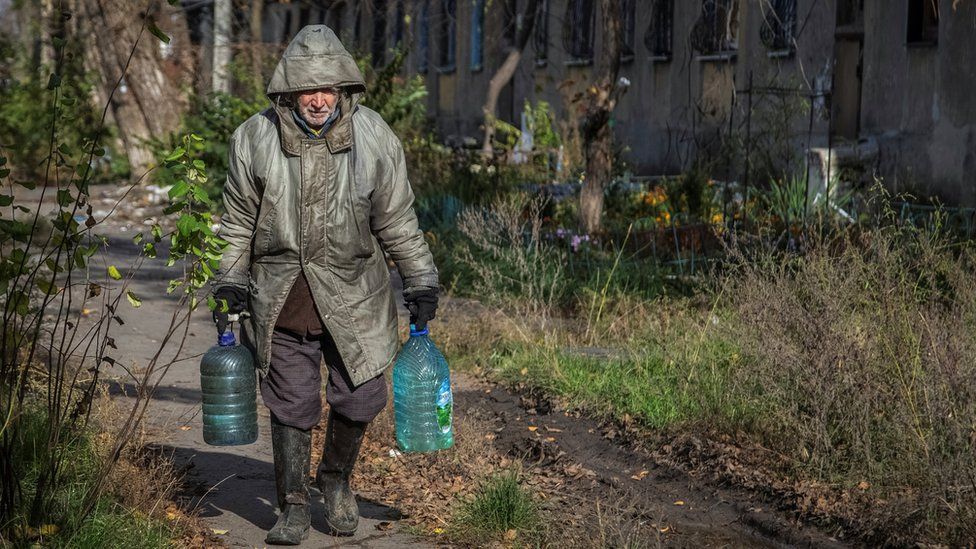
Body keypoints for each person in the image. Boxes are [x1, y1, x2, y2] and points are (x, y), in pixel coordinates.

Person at [210, 25, 439, 546]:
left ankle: (334, 482)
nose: (317, 100)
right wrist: (228, 282)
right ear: (288, 90)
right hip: (282, 299)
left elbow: (398, 220)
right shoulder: (254, 137)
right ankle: (291, 504)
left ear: (344, 90)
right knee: (290, 403)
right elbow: (237, 222)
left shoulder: (375, 137)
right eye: (307, 89)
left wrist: (421, 279)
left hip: (356, 298)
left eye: (328, 88)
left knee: (360, 398)